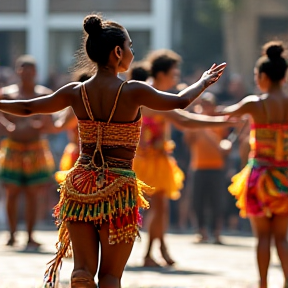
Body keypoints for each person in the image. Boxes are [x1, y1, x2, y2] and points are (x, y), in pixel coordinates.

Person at [0, 14, 226, 288]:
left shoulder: (76, 91)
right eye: (130, 46)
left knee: (82, 271)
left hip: (80, 186)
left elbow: (28, 107)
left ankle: (81, 275)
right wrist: (203, 81)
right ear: (118, 52)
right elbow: (180, 101)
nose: (132, 52)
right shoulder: (133, 91)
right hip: (118, 189)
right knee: (110, 276)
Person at [132, 50, 230, 267]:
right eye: (174, 74)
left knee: (160, 208)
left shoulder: (151, 92)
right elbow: (184, 120)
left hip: (156, 159)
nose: (176, 79)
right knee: (155, 208)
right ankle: (150, 252)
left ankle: (158, 248)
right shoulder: (151, 94)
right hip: (146, 161)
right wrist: (220, 122)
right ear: (162, 74)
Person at [219, 41, 288, 288]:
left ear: (264, 76)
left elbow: (226, 114)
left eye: (256, 76)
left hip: (259, 178)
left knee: (262, 239)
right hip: (285, 179)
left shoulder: (254, 104)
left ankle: (263, 284)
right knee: (282, 239)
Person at [0, 55, 55, 250]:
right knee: (11, 192)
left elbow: (50, 119)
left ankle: (31, 235)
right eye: (23, 70)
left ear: (36, 73)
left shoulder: (44, 94)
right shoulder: (7, 94)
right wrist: (7, 126)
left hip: (36, 147)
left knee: (34, 193)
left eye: (31, 70)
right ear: (18, 72)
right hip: (13, 148)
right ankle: (12, 234)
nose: (27, 74)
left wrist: (42, 124)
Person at [184, 92, 231, 244]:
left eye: (208, 104)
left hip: (217, 167)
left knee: (217, 201)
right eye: (203, 104)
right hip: (198, 166)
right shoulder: (195, 123)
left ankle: (217, 232)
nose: (205, 107)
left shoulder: (219, 122)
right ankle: (201, 231)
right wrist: (193, 125)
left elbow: (225, 145)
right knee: (198, 201)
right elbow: (188, 141)